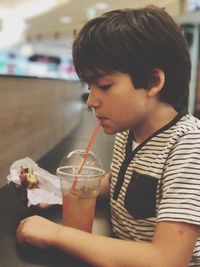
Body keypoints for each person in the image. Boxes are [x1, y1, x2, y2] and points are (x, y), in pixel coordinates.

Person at [16, 5, 200, 267]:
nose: (91, 100)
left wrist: (56, 234)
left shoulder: (188, 145)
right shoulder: (128, 131)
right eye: (89, 87)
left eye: (103, 86)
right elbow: (121, 181)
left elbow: (167, 260)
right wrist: (57, 193)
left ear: (152, 82)